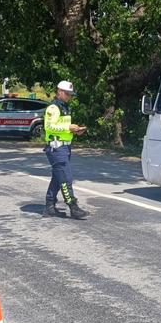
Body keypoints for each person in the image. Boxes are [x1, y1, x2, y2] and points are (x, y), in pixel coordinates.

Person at [43, 80, 89, 219]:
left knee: (58, 178)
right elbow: (49, 127)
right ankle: (73, 207)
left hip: (65, 146)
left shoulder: (65, 107)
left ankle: (49, 206)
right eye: (67, 94)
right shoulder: (53, 108)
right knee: (65, 178)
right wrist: (68, 128)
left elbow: (61, 127)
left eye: (71, 94)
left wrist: (74, 131)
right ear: (59, 92)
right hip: (56, 148)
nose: (70, 97)